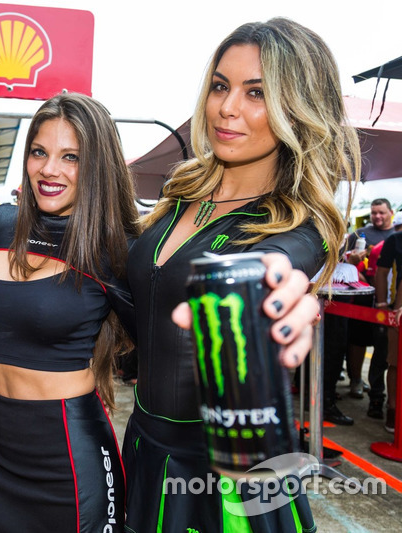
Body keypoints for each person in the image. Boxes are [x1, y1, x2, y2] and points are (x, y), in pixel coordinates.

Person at [123, 18, 359, 532]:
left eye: (257, 93)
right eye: (220, 86)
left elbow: (274, 272)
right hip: (142, 444)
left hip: (230, 479)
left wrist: (270, 300)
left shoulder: (301, 225)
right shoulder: (179, 192)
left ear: (297, 109)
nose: (227, 108)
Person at [0, 93, 139, 532]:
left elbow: (166, 351)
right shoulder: (4, 223)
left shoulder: (114, 249)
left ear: (98, 166)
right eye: (39, 152)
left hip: (71, 459)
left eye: (70, 157)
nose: (49, 170)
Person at [344, 198, 395, 412]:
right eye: (374, 213)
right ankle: (356, 380)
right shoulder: (360, 234)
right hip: (363, 297)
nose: (377, 216)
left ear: (391, 213)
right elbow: (343, 262)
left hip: (388, 301)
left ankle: (379, 393)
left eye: (381, 212)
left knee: (385, 349)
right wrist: (354, 264)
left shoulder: (395, 236)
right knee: (359, 341)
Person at [374, 215, 402, 433]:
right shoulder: (395, 240)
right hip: (398, 307)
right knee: (395, 361)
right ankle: (393, 409)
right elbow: (382, 272)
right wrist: (382, 304)